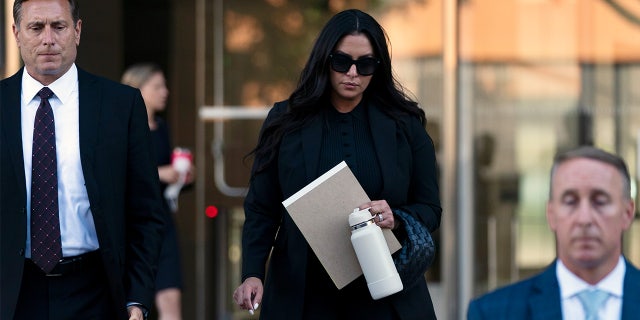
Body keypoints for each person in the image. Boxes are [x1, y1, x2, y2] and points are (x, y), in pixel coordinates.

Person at [232, 9, 441, 320]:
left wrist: (395, 217)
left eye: (366, 64)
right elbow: (262, 208)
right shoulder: (286, 120)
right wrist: (252, 273)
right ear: (324, 60)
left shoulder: (404, 124)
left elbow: (430, 208)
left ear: (378, 67)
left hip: (384, 293)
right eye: (341, 61)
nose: (352, 73)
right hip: (304, 294)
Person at [0, 1, 166, 319]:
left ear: (77, 30)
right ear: (16, 33)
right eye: (36, 27)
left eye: (59, 26)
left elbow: (146, 213)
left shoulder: (122, 105)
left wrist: (137, 299)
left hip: (96, 292)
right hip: (13, 293)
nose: (48, 38)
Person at [467, 146, 640, 319]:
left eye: (600, 201)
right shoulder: (493, 313)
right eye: (570, 201)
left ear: (627, 213)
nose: (584, 219)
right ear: (551, 214)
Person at [121, 63, 195, 320]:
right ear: (136, 89)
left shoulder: (161, 127)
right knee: (130, 306)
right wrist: (160, 173)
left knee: (171, 299)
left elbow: (165, 176)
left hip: (162, 223)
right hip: (129, 226)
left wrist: (183, 177)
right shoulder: (121, 128)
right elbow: (118, 174)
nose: (165, 92)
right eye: (157, 86)